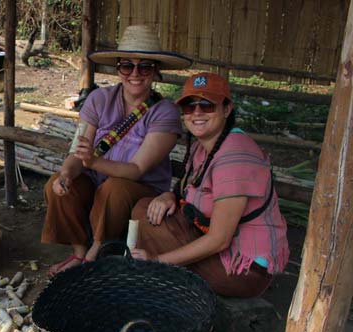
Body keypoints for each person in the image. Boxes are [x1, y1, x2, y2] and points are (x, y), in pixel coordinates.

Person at [42, 25, 192, 275]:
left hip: (137, 188)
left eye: (144, 66)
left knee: (115, 188)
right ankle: (79, 251)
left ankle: (96, 252)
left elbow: (136, 169)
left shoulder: (164, 112)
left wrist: (92, 161)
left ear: (155, 71)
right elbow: (78, 151)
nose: (135, 73)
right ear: (118, 69)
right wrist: (67, 174)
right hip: (96, 182)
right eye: (127, 66)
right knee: (56, 185)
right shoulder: (98, 99)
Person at [130, 73, 289, 297]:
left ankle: (164, 282)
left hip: (242, 270)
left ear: (227, 109)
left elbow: (219, 240)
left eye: (207, 105)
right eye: (189, 106)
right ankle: (166, 278)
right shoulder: (202, 147)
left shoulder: (235, 154)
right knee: (145, 209)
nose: (197, 113)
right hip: (219, 246)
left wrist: (157, 260)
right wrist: (168, 195)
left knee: (152, 232)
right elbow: (186, 190)